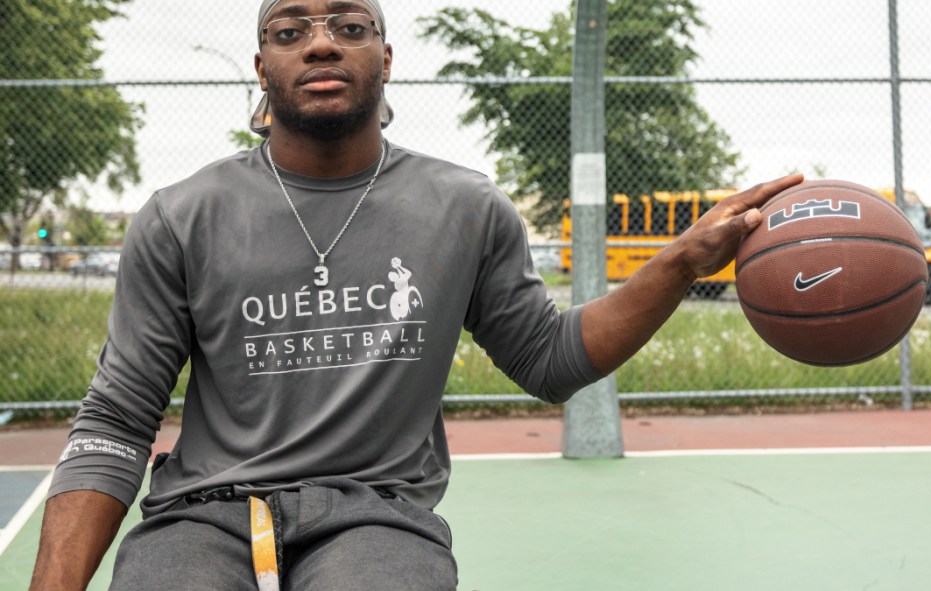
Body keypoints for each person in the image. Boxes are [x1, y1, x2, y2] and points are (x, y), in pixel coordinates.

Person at [30, 1, 803, 589]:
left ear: (387, 58)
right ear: (262, 67)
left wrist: (676, 264)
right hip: (204, 511)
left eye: (349, 25)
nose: (322, 41)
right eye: (290, 30)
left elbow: (550, 359)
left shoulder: (463, 206)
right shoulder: (181, 214)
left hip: (376, 510)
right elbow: (117, 418)